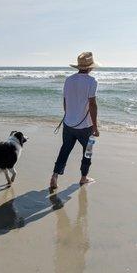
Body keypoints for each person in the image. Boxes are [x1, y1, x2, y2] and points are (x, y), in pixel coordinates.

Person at [50, 52, 100, 189]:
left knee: (65, 149)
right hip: (85, 126)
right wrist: (95, 127)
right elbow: (92, 104)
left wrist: (69, 116)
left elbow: (65, 102)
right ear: (90, 67)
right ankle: (83, 178)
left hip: (68, 124)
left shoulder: (69, 80)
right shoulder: (92, 81)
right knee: (88, 151)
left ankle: (55, 175)